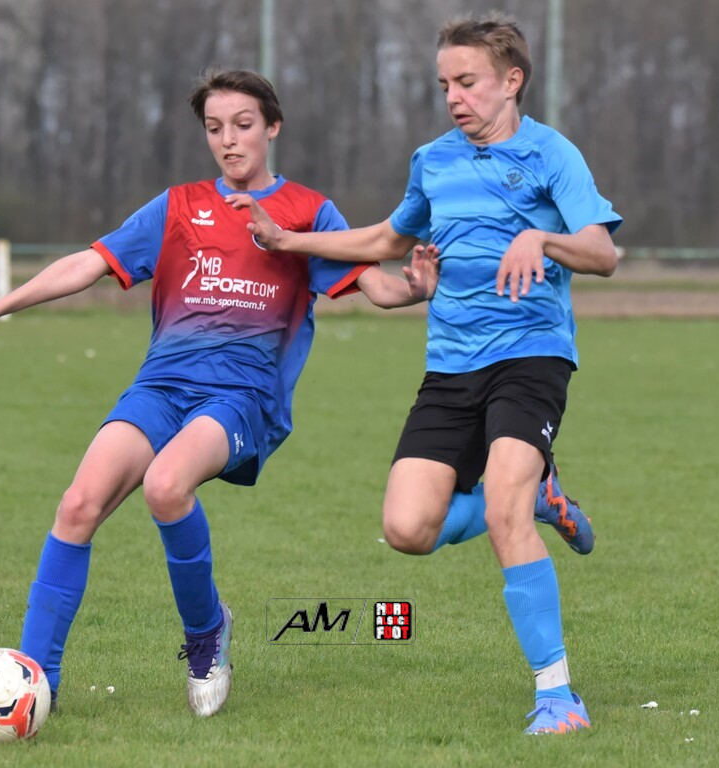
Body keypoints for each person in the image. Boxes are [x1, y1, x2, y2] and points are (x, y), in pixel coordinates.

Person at [0, 69, 436, 718]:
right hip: (161, 386)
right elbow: (87, 263)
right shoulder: (177, 207)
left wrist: (416, 288)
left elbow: (380, 289)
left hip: (241, 397)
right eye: (214, 128)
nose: (228, 140)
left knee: (166, 486)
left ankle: (206, 635)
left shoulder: (308, 212)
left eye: (243, 125)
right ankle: (35, 682)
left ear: (272, 127)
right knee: (78, 505)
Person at [227, 13, 621, 735]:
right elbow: (386, 238)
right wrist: (287, 240)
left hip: (530, 355)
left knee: (502, 513)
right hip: (449, 365)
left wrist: (542, 238)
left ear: (512, 80)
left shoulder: (551, 154)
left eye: (467, 82)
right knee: (408, 528)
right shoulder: (432, 160)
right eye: (444, 85)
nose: (453, 98)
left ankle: (558, 697)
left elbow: (602, 252)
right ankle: (538, 498)